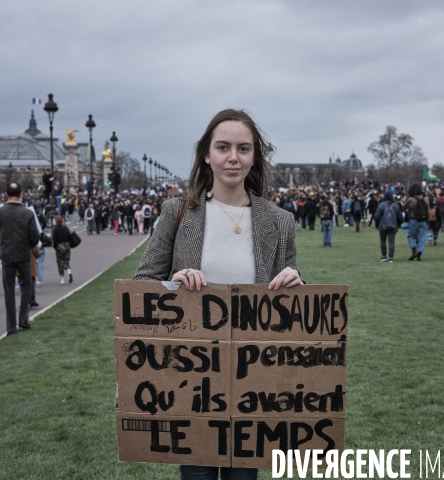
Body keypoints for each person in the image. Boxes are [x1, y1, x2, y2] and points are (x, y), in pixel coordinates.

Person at [133, 108, 303, 480]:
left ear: (254, 156)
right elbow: (141, 285)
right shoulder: (179, 212)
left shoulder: (279, 222)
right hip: (191, 378)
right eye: (223, 147)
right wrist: (174, 283)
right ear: (206, 154)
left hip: (253, 383)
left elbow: (290, 307)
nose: (233, 157)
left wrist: (296, 284)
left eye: (243, 148)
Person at [0, 183, 40, 335]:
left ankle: (11, 326)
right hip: (23, 254)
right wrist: (28, 245)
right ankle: (23, 318)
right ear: (21, 194)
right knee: (26, 286)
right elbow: (35, 238)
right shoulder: (27, 213)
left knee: (9, 290)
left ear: (6, 194)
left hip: (6, 255)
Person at [373, 191, 403, 262]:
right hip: (393, 226)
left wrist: (377, 225)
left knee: (383, 241)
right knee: (391, 242)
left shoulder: (381, 205)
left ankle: (384, 256)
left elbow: (376, 216)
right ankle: (391, 257)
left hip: (382, 226)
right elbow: (400, 217)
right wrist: (398, 225)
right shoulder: (395, 206)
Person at [405, 183, 428, 261]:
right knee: (421, 237)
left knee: (411, 236)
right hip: (423, 219)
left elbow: (404, 207)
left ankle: (414, 249)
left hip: (414, 219)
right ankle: (419, 253)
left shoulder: (411, 199)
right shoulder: (426, 198)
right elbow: (427, 210)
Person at [51, 216, 73, 285]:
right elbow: (70, 237)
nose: (52, 222)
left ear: (57, 222)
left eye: (54, 221)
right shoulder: (66, 228)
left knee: (60, 262)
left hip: (60, 247)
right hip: (67, 246)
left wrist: (55, 247)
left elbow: (55, 241)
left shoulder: (56, 230)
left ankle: (62, 278)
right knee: (66, 261)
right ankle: (69, 271)